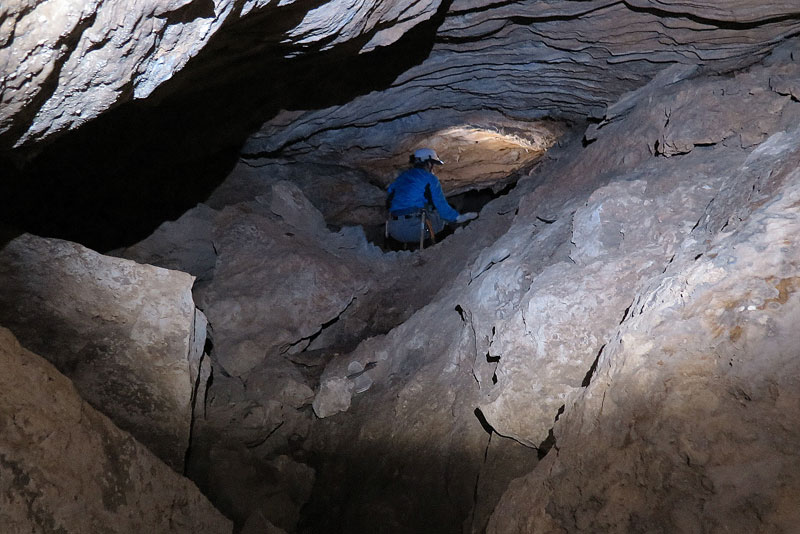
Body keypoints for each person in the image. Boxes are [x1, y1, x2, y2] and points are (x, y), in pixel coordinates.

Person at [385, 148, 477, 244]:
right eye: (433, 165)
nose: (433, 168)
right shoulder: (430, 178)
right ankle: (445, 247)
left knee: (427, 211)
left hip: (393, 230)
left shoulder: (401, 178)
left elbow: (388, 202)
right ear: (429, 164)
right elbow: (440, 204)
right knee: (444, 217)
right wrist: (458, 218)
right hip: (414, 229)